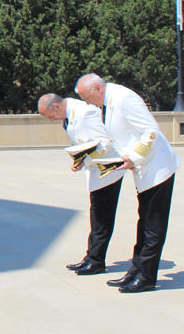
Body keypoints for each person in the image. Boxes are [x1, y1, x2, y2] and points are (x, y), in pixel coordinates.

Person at [76, 73, 179, 293]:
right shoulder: (109, 100)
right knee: (144, 223)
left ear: (98, 88)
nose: (87, 103)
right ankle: (136, 270)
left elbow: (151, 131)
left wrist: (134, 157)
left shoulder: (124, 98)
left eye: (87, 97)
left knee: (152, 226)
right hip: (143, 170)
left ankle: (147, 277)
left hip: (157, 168)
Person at [37, 93, 125, 276]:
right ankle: (91, 257)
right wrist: (81, 160)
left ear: (57, 107)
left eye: (51, 116)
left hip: (107, 170)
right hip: (95, 170)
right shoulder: (69, 115)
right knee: (97, 215)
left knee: (101, 218)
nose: (52, 120)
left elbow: (105, 144)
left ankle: (96, 261)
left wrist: (85, 156)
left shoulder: (85, 113)